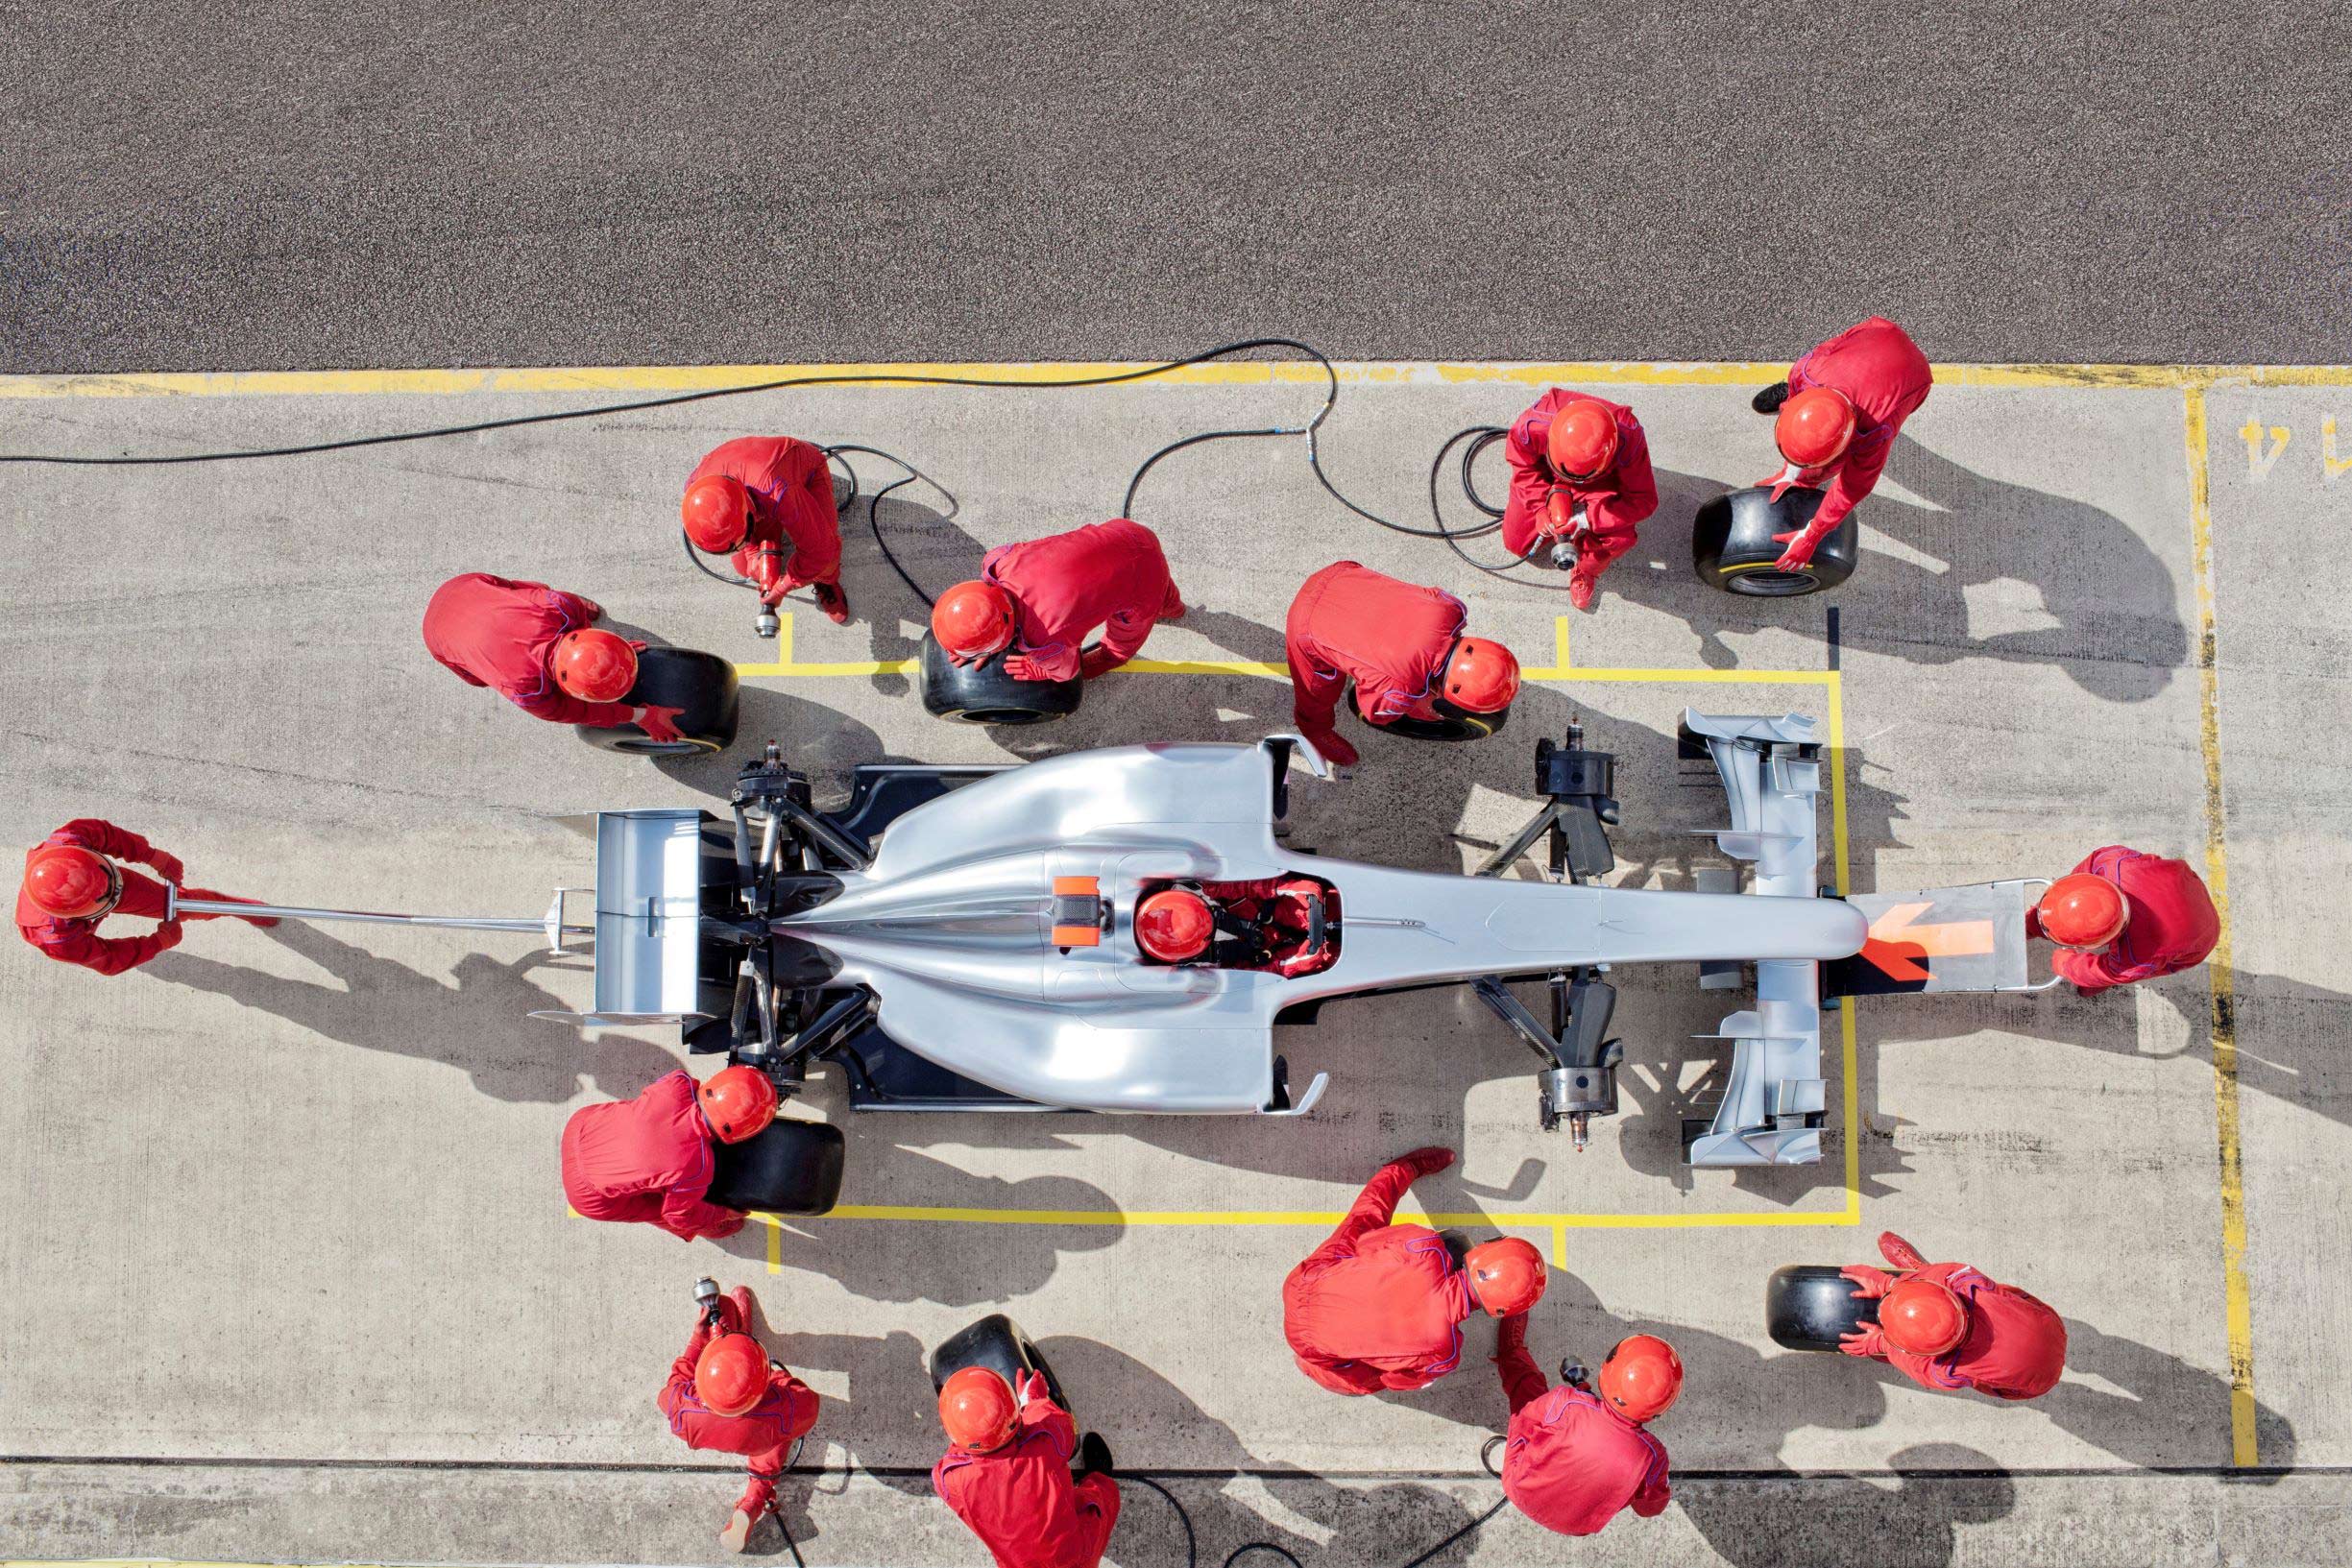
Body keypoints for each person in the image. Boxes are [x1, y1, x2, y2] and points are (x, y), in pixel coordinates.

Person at [1282, 1146, 1546, 1393]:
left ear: (1486, 1248)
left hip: (1303, 1286)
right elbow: (1394, 1381)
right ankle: (1310, 1368)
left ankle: (1406, 1168)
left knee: (1366, 1217)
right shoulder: (1444, 1355)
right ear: (1498, 1311)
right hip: (1314, 1349)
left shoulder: (1425, 1247)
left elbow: (1366, 1244)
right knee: (1368, 1381)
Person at [1282, 562, 1520, 769]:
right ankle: (1315, 731)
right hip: (1307, 623)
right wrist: (1416, 701)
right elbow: (1372, 711)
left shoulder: (1453, 609)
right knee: (1316, 693)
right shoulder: (1398, 691)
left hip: (1342, 574)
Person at [1752, 317, 1933, 573]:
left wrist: (1812, 535)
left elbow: (1851, 489)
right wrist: (1790, 473)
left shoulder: (1874, 432)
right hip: (1876, 333)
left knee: (1836, 462)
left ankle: (1815, 473)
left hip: (1912, 375)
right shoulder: (1805, 371)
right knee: (1805, 383)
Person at [421, 572, 683, 740]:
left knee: (537, 591)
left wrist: (607, 651)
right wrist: (641, 716)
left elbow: (582, 628)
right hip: (437, 636)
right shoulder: (528, 692)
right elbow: (580, 711)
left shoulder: (563, 606)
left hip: (467, 585)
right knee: (478, 680)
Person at [659, 1283, 819, 1553]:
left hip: (708, 1430)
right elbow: (809, 1403)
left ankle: (738, 1335)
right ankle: (753, 1502)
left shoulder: (680, 1408)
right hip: (756, 1435)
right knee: (772, 1447)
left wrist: (699, 1340)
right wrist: (777, 1380)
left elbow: (675, 1382)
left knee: (722, 1304)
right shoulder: (777, 1411)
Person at [930, 519, 1186, 682]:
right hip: (1128, 532)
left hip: (1142, 587)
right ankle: (1174, 608)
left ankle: (1166, 607)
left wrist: (1038, 669)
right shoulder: (999, 561)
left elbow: (1066, 672)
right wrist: (981, 635)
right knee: (1163, 591)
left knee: (1120, 649)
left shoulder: (1044, 642)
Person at [17, 819, 275, 976]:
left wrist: (153, 856)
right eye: (110, 898)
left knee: (180, 904)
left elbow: (110, 835)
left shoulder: (70, 839)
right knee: (98, 951)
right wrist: (157, 943)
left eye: (115, 886)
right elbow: (109, 959)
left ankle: (237, 907)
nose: (117, 894)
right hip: (72, 919)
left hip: (93, 882)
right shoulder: (58, 940)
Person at [1836, 1230, 2067, 1401]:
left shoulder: (1947, 1373)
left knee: (1981, 1381)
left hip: (2035, 1385)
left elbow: (1917, 1367)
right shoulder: (1963, 1279)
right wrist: (1888, 1283)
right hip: (2050, 1327)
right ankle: (1919, 1271)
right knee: (2005, 1295)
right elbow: (1941, 1275)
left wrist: (1882, 1345)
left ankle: (1918, 1272)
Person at [1495, 1324, 1677, 1536]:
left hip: (1519, 1489)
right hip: (1574, 1527)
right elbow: (1649, 1508)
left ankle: (1511, 1347)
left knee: (1528, 1386)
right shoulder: (1653, 1458)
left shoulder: (1567, 1402)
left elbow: (1524, 1421)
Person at [559, 1066, 778, 1242]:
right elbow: (678, 1216)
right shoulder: (697, 1168)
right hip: (588, 1195)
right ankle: (714, 1229)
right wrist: (722, 1214)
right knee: (657, 1209)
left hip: (581, 1126)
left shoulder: (679, 1081)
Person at [933, 1364, 1120, 1568]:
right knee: (1099, 1504)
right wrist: (1034, 1400)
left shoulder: (951, 1480)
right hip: (1074, 1556)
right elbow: (1063, 1428)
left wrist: (969, 1438)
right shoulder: (1044, 1439)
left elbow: (944, 1471)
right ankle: (1101, 1476)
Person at [1501, 390, 1659, 612]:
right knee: (1517, 543)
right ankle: (1557, 489)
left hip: (1599, 483)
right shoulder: (1532, 425)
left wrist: (1588, 519)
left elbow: (1643, 501)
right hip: (1550, 472)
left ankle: (1585, 568)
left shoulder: (1629, 439)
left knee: (1619, 537)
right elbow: (1523, 466)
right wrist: (1538, 507)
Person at [681, 436, 850, 624]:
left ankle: (826, 581)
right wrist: (752, 554)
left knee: (827, 560)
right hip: (760, 490)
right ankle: (771, 533)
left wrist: (782, 588)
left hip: (805, 474)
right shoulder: (697, 487)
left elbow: (820, 553)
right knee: (746, 569)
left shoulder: (778, 492)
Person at [2028, 847, 2219, 995]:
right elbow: (2080, 879)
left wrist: (2066, 965)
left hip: (2201, 937)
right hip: (2185, 885)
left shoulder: (2138, 956)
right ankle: (2030, 928)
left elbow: (2113, 972)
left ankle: (2097, 986)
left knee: (2116, 973)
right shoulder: (2113, 863)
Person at [1131, 879, 1337, 977]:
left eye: (1210, 917)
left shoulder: (1200, 891)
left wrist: (1292, 893)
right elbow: (1250, 978)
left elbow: (1252, 886)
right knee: (1324, 962)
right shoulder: (1197, 970)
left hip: (1282, 914)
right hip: (1275, 954)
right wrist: (1301, 959)